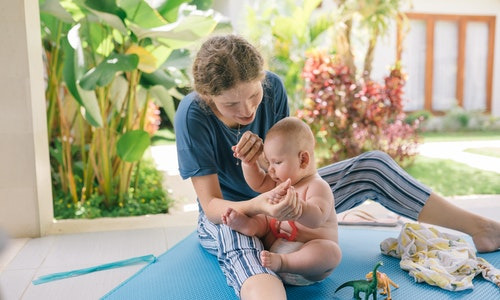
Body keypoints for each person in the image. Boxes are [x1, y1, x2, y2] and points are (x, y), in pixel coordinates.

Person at [174, 34, 500, 300]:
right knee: (240, 237)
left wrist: (285, 189)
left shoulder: (273, 88)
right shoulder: (193, 115)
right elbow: (212, 206)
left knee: (372, 165)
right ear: (207, 97)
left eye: (253, 96)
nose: (246, 110)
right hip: (235, 211)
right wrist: (259, 206)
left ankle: (482, 231)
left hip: (283, 194)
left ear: (262, 81)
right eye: (232, 104)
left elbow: (293, 163)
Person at [221, 116, 341, 286]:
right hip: (273, 251)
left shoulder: (317, 186)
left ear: (303, 160)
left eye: (277, 162)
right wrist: (249, 163)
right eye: (268, 162)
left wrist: (299, 208)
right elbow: (258, 183)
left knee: (331, 253)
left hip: (306, 264)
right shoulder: (278, 182)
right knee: (265, 216)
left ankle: (284, 262)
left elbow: (317, 218)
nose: (270, 169)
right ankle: (249, 226)